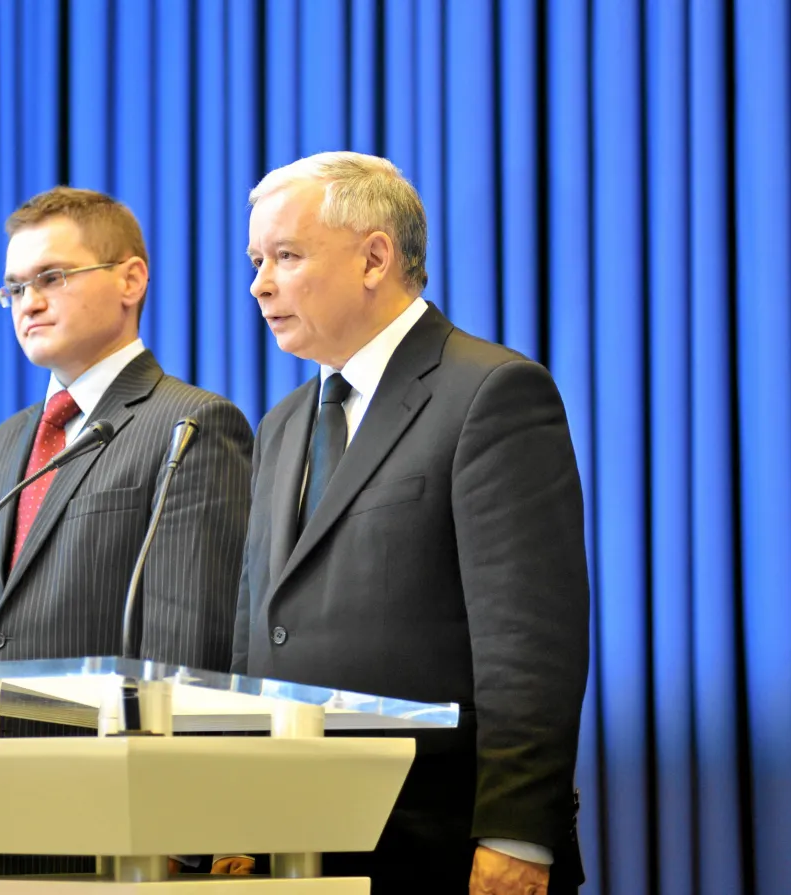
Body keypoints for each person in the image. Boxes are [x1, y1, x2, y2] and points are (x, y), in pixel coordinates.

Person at [228, 152, 590, 894]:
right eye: (257, 259)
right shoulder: (281, 422)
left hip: (437, 842)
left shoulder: (490, 393)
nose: (260, 283)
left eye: (286, 256)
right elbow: (257, 631)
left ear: (374, 257)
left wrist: (515, 830)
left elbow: (529, 641)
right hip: (291, 841)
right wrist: (235, 809)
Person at [0, 186, 253, 878]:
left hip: (115, 824)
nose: (29, 302)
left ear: (131, 279)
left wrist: (171, 824)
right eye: (14, 287)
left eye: (52, 277)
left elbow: (186, 640)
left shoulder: (190, 424)